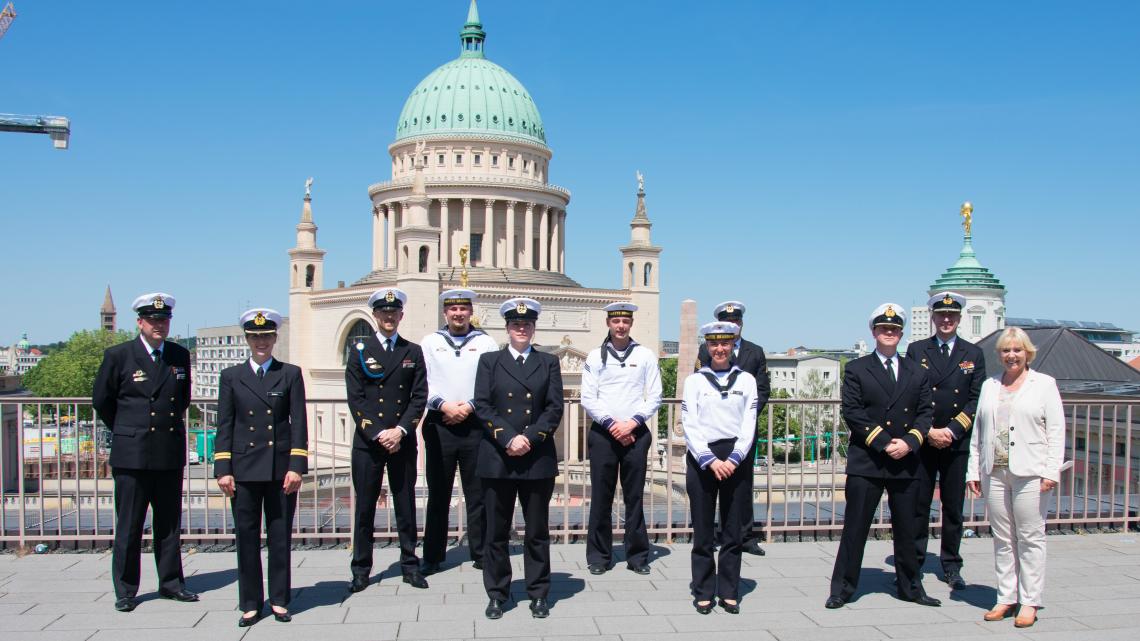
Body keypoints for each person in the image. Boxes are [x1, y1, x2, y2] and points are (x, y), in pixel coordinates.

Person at [826, 304, 939, 609]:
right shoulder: (857, 368)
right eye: (883, 329)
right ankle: (843, 589)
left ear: (901, 334)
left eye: (894, 329)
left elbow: (926, 413)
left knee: (908, 529)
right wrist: (886, 442)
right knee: (855, 528)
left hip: (906, 460)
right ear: (873, 332)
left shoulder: (917, 371)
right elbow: (853, 411)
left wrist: (911, 442)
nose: (889, 333)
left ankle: (910, 588)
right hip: (869, 460)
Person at [92, 292, 198, 612]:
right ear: (140, 322)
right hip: (132, 454)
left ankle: (171, 583)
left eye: (164, 320)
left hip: (167, 451)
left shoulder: (179, 355)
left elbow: (182, 400)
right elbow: (102, 401)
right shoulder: (119, 356)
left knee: (168, 524)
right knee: (130, 524)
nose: (159, 325)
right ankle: (126, 589)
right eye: (153, 320)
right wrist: (127, 429)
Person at [213, 309, 307, 626]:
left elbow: (299, 424)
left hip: (280, 469)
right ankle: (251, 602)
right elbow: (224, 425)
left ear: (274, 338)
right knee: (247, 538)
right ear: (247, 340)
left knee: (279, 536)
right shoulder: (231, 377)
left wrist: (297, 465)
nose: (261, 342)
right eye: (255, 337)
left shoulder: (290, 374)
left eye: (266, 336)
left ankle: (280, 600)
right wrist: (222, 468)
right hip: (243, 469)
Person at [966, 327, 1065, 629]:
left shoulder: (1044, 385)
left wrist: (1050, 470)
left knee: (1030, 537)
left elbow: (1056, 430)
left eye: (1017, 350)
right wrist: (974, 470)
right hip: (995, 470)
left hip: (1030, 472)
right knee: (1003, 538)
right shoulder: (989, 385)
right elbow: (979, 431)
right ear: (999, 355)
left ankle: (1030, 601)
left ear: (1027, 353)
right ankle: (1005, 597)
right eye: (1006, 350)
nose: (1011, 355)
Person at [474, 298, 563, 620]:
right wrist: (508, 437)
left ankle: (538, 593)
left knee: (536, 531)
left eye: (526, 325)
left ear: (533, 327)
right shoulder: (489, 361)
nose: (521, 329)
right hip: (498, 456)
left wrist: (530, 437)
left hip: (535, 456)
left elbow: (554, 407)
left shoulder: (548, 362)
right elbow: (482, 405)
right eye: (515, 325)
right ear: (507, 328)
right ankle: (497, 594)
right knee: (496, 532)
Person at [345, 288, 428, 593]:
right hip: (369, 442)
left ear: (401, 316)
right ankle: (361, 569)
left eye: (394, 313)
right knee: (365, 508)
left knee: (405, 505)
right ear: (375, 316)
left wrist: (401, 430)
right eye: (383, 313)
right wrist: (380, 432)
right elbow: (356, 399)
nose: (389, 317)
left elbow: (419, 398)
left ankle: (410, 565)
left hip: (402, 441)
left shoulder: (412, 351)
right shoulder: (359, 351)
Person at [906, 292, 985, 590]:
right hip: (924, 441)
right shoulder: (916, 350)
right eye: (941, 315)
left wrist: (951, 430)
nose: (946, 320)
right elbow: (911, 395)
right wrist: (928, 431)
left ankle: (951, 564)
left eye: (952, 316)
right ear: (933, 318)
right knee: (919, 505)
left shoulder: (973, 354)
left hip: (956, 442)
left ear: (960, 319)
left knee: (953, 507)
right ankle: (913, 561)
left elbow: (975, 399)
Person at [420, 289, 500, 575]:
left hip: (474, 424)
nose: (458, 314)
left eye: (463, 309)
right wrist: (443, 406)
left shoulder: (486, 343)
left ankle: (480, 552)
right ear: (445, 313)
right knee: (438, 493)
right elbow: (423, 382)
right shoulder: (430, 342)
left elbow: (491, 383)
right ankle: (433, 555)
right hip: (439, 424)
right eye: (452, 309)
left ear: (470, 312)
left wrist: (467, 406)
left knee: (477, 493)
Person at [581, 302, 663, 575]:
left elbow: (654, 396)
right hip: (604, 434)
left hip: (635, 433)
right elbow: (588, 397)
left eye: (625, 322)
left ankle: (638, 556)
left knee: (635, 497)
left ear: (631, 324)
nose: (620, 326)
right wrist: (613, 425)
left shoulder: (645, 355)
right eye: (615, 322)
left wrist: (631, 424)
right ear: (608, 323)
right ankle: (599, 557)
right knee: (601, 497)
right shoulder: (595, 357)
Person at [683, 321, 758, 615]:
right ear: (707, 346)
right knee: (702, 530)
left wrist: (734, 458)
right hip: (703, 457)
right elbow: (690, 423)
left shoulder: (746, 381)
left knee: (732, 529)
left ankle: (728, 590)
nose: (719, 349)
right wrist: (710, 460)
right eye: (714, 344)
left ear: (732, 345)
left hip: (735, 457)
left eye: (725, 343)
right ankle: (703, 589)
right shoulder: (695, 382)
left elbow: (749, 423)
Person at [697, 301, 770, 556]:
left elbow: (762, 390)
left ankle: (745, 536)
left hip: (744, 433)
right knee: (712, 484)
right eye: (729, 321)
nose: (734, 325)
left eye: (737, 321)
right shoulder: (706, 349)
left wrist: (745, 418)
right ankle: (719, 533)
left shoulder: (755, 352)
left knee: (743, 485)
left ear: (741, 323)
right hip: (713, 432)